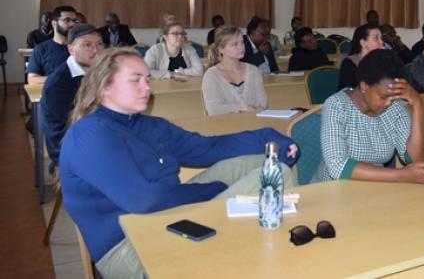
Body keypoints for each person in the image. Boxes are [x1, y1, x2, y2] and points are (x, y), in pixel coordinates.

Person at [59, 48, 298, 278]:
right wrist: (217, 190)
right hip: (129, 248)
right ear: (105, 87)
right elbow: (146, 201)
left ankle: (243, 250)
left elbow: (209, 148)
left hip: (170, 215)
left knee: (269, 164)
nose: (146, 88)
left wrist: (267, 139)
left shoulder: (148, 126)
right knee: (274, 178)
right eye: (136, 80)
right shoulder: (91, 135)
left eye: (147, 79)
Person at [312, 49, 424, 184]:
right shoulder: (337, 105)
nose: (388, 103)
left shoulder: (395, 107)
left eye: (393, 97)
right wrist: (402, 175)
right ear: (364, 86)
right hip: (333, 190)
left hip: (376, 189)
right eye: (383, 97)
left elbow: (417, 160)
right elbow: (338, 166)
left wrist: (418, 105)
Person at [39, 24, 104, 170]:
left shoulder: (100, 73)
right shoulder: (58, 84)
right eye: (87, 45)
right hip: (71, 153)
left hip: (96, 140)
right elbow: (67, 132)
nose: (96, 50)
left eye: (100, 44)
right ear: (71, 49)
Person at [202, 26, 268, 116]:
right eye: (235, 44)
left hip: (253, 125)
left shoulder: (253, 71)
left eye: (242, 43)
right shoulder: (212, 75)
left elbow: (263, 104)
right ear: (221, 49)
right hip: (225, 127)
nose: (241, 47)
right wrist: (246, 108)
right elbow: (214, 109)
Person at [27, 5, 78, 84]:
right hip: (53, 92)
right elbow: (32, 79)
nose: (72, 24)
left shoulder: (81, 47)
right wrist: (57, 78)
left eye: (74, 21)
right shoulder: (41, 49)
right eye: (67, 20)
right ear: (54, 23)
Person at [338, 24, 384, 90]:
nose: (382, 42)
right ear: (363, 43)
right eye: (376, 38)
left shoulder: (383, 62)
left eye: (381, 38)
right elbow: (348, 91)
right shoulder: (350, 63)